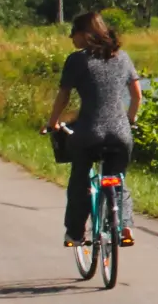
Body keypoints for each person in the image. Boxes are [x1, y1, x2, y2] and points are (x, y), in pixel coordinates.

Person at [46, 12, 141, 249]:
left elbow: (64, 96)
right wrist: (129, 120)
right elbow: (137, 95)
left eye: (73, 33)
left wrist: (52, 123)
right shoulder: (123, 57)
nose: (71, 38)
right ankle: (125, 225)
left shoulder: (77, 60)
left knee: (80, 179)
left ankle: (75, 234)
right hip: (120, 134)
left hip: (89, 133)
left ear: (84, 34)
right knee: (117, 178)